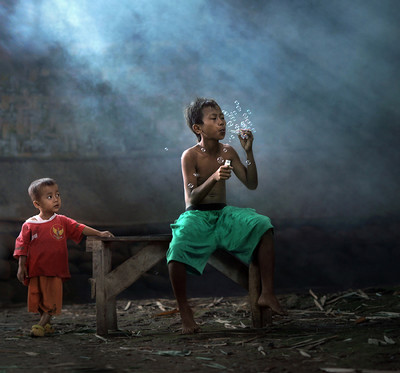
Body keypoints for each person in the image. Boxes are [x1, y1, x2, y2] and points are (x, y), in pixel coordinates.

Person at [166, 97, 286, 334]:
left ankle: (267, 293)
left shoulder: (229, 151)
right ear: (198, 128)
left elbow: (251, 184)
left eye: (222, 117)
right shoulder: (189, 156)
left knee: (263, 225)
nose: (222, 122)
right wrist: (213, 178)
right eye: (214, 118)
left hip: (223, 214)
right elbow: (192, 199)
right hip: (197, 216)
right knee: (176, 250)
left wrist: (248, 152)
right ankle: (185, 312)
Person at [14, 177, 114, 337]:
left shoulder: (61, 221)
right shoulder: (29, 224)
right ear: (37, 204)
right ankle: (46, 324)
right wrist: (21, 266)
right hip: (35, 269)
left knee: (52, 298)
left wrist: (99, 233)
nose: (56, 199)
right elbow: (21, 246)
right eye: (49, 197)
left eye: (57, 195)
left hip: (55, 269)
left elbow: (80, 228)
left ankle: (40, 325)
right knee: (39, 299)